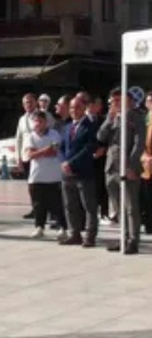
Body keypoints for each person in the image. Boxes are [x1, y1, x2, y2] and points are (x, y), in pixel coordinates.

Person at [97, 88, 146, 254]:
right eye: (113, 101)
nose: (115, 104)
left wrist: (132, 165)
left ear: (129, 101)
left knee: (131, 207)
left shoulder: (136, 117)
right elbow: (100, 137)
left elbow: (139, 143)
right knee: (118, 207)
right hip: (111, 167)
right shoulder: (112, 118)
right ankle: (123, 238)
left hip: (127, 167)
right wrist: (109, 119)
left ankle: (133, 240)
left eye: (118, 100)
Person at [59, 97, 99, 247]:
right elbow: (62, 148)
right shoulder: (68, 126)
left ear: (84, 108)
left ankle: (90, 235)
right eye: (71, 108)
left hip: (83, 172)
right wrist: (63, 162)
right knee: (70, 205)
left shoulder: (90, 126)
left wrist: (71, 162)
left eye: (77, 108)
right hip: (67, 172)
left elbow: (89, 148)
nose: (74, 111)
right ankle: (74, 233)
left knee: (88, 206)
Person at [24, 111, 67, 239]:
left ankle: (62, 227)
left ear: (45, 122)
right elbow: (30, 155)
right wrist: (45, 150)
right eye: (35, 121)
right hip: (36, 176)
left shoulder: (54, 134)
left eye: (40, 121)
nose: (37, 124)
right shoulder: (30, 136)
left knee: (57, 204)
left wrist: (38, 152)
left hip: (54, 176)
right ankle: (39, 227)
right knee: (38, 204)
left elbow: (54, 151)